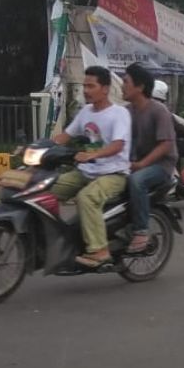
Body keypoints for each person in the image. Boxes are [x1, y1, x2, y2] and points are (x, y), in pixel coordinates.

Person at [51, 66, 131, 268]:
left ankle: (100, 250)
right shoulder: (85, 112)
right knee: (46, 188)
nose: (86, 90)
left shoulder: (119, 113)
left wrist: (93, 154)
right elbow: (65, 136)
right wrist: (39, 147)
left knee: (86, 198)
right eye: (84, 85)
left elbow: (118, 144)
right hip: (87, 171)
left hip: (114, 174)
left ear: (105, 89)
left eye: (91, 86)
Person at [122, 64, 178, 253]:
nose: (122, 86)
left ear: (140, 87)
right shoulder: (126, 112)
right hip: (134, 162)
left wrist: (141, 164)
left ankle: (141, 231)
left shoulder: (159, 111)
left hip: (161, 165)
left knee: (137, 181)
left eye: (126, 82)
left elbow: (166, 145)